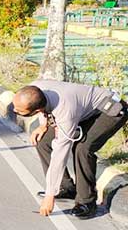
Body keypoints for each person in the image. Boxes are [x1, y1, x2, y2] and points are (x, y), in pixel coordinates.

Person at [13, 80, 128, 219]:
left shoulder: (65, 111)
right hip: (85, 110)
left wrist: (50, 195)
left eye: (19, 110)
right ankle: (66, 188)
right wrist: (43, 125)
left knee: (83, 148)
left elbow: (60, 155)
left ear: (36, 110)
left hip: (111, 109)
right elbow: (44, 109)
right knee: (42, 140)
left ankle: (87, 202)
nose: (14, 110)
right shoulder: (33, 88)